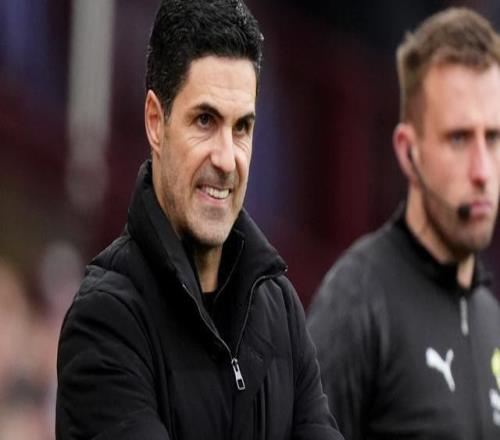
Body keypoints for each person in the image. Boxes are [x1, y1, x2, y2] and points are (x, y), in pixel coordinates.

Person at [56, 1, 343, 439]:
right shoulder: (104, 320)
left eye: (242, 128)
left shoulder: (279, 307)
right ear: (156, 122)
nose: (227, 159)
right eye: (205, 121)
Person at [307, 7, 500, 440]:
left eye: (493, 138)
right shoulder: (357, 302)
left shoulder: (491, 319)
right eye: (459, 138)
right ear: (408, 152)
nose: (482, 170)